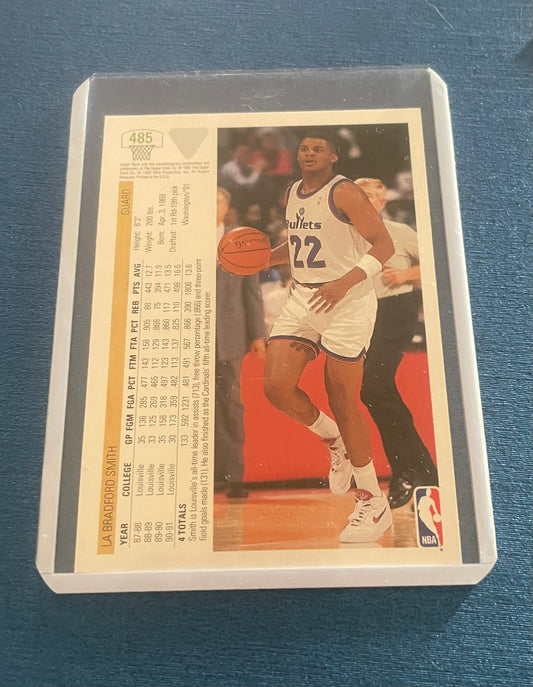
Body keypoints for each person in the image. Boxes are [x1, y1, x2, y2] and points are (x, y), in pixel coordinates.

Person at [264, 131, 394, 543]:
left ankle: (373, 502)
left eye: (318, 149)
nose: (309, 153)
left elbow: (384, 245)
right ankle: (332, 438)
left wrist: (343, 283)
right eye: (304, 148)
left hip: (347, 301)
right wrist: (261, 258)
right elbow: (299, 245)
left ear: (334, 156)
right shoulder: (292, 192)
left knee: (342, 399)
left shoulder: (346, 193)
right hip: (305, 297)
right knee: (276, 387)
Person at [355, 178, 438, 509]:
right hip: (360, 315)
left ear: (382, 201)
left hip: (394, 311)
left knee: (374, 388)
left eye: (369, 196)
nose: (363, 202)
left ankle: (408, 471)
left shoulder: (399, 231)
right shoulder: (344, 236)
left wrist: (405, 275)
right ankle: (421, 471)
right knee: (375, 391)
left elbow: (437, 262)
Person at [215, 188, 267, 498]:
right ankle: (208, 474)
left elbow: (252, 293)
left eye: (218, 200)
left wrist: (258, 334)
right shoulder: (184, 239)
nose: (213, 205)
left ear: (227, 207)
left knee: (231, 405)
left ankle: (234, 476)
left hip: (229, 337)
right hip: (191, 337)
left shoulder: (240, 241)